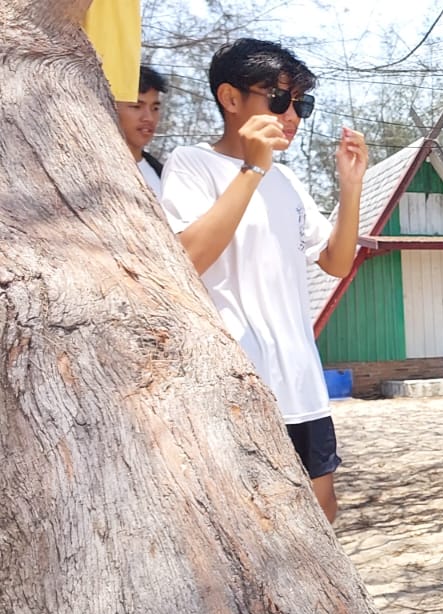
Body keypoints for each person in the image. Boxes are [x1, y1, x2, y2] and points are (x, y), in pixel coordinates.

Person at [160, 39, 367, 524]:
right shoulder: (191, 164)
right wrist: (253, 168)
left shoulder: (288, 180)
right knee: (254, 522)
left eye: (300, 103)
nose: (291, 114)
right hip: (237, 383)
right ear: (230, 99)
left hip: (300, 379)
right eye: (277, 99)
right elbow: (186, 259)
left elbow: (336, 262)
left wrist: (351, 187)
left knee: (322, 514)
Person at [116, 64, 167, 192]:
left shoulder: (167, 177)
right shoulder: (86, 169)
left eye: (154, 108)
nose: (148, 118)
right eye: (136, 107)